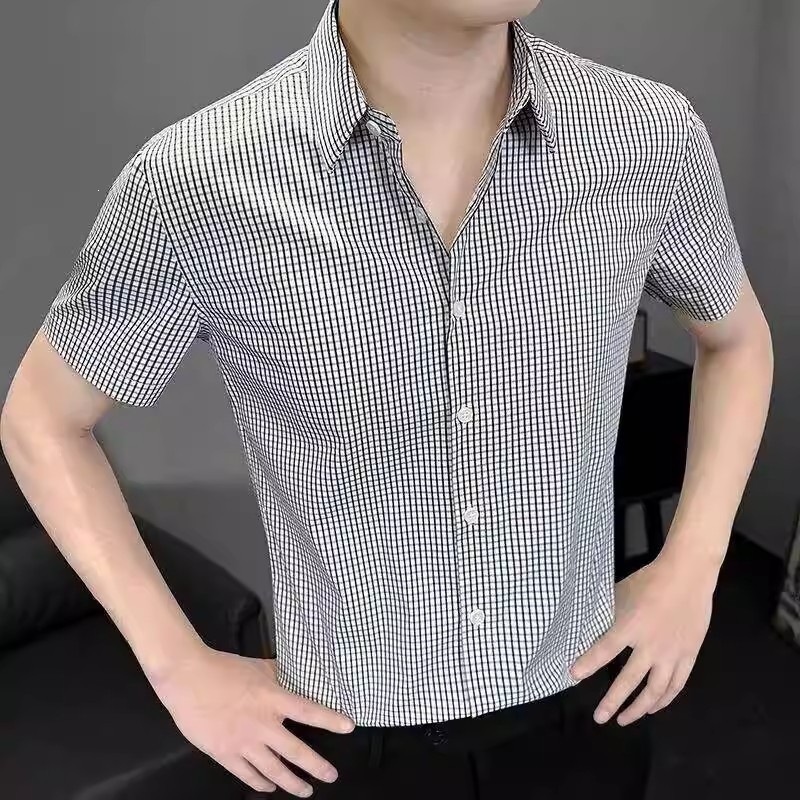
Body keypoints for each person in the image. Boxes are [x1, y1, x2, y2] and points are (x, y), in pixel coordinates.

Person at [0, 0, 773, 798]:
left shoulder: (647, 137)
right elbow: (42, 420)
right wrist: (177, 666)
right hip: (351, 740)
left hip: (587, 701)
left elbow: (739, 341)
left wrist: (693, 565)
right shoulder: (197, 182)